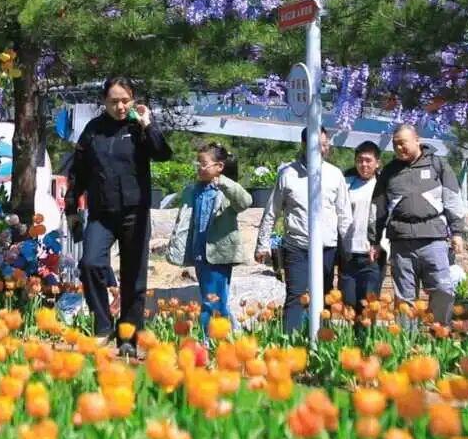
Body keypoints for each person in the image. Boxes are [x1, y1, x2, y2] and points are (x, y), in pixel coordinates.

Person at [65, 76, 173, 356]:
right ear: (104, 101)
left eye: (125, 101)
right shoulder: (93, 130)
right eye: (114, 101)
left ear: (133, 100)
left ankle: (128, 338)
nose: (120, 107)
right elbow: (77, 172)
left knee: (133, 276)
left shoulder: (139, 128)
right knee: (90, 263)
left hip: (135, 213)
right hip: (101, 213)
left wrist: (148, 124)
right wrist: (71, 208)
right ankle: (103, 325)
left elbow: (163, 154)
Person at [255, 126, 352, 334]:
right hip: (297, 247)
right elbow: (272, 211)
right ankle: (291, 344)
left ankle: (322, 340)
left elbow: (344, 215)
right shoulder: (288, 174)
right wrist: (262, 243)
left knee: (325, 296)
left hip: (327, 248)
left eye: (325, 144)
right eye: (318, 145)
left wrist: (350, 247)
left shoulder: (334, 174)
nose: (323, 149)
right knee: (295, 296)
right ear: (304, 145)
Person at [368, 123, 465, 324]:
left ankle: (440, 333)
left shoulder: (437, 165)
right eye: (395, 144)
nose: (398, 148)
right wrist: (374, 241)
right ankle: (406, 339)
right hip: (401, 242)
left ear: (417, 140)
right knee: (404, 298)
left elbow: (452, 199)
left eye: (403, 143)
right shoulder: (389, 171)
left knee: (442, 290)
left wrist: (457, 232)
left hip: (434, 240)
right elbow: (377, 208)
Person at [166, 143, 252, 339]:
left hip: (219, 254)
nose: (199, 167)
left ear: (219, 166)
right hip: (199, 252)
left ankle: (213, 339)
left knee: (213, 300)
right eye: (198, 162)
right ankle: (220, 338)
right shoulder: (193, 190)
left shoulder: (226, 191)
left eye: (203, 163)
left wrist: (224, 182)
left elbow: (245, 201)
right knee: (209, 297)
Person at [339, 141, 386, 321]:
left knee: (368, 307)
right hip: (349, 254)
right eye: (360, 160)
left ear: (377, 163)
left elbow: (389, 218)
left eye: (368, 160)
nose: (364, 165)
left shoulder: (384, 185)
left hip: (372, 255)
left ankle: (366, 338)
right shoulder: (346, 183)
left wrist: (381, 244)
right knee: (349, 303)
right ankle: (352, 338)